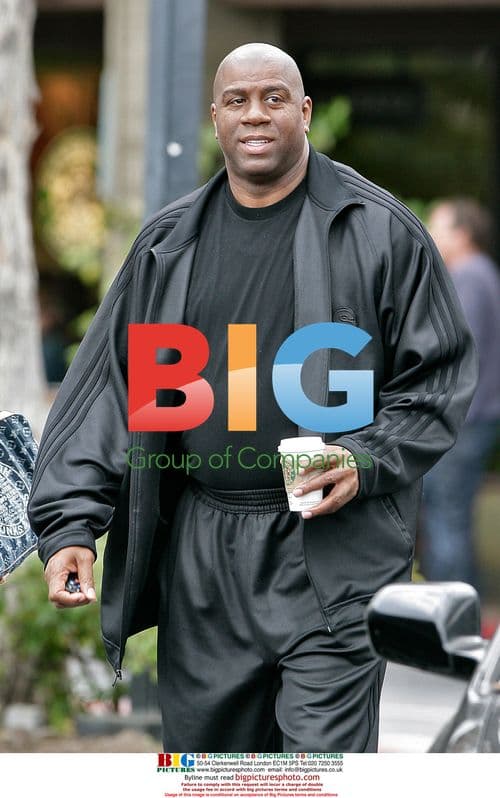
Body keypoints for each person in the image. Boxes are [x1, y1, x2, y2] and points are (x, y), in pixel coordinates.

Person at [28, 43, 478, 753]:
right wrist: (70, 527)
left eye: (273, 98)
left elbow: (437, 380)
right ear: (215, 119)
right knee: (210, 771)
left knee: (319, 772)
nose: (255, 115)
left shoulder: (380, 232)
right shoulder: (167, 246)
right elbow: (110, 393)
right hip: (203, 563)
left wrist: (362, 459)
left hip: (334, 559)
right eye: (237, 101)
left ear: (303, 112)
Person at [420, 199, 500, 590]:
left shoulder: (469, 277)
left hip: (462, 423)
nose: (431, 235)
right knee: (452, 519)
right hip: (476, 420)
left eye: (438, 227)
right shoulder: (482, 274)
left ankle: (448, 624)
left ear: (462, 235)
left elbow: (450, 350)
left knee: (445, 519)